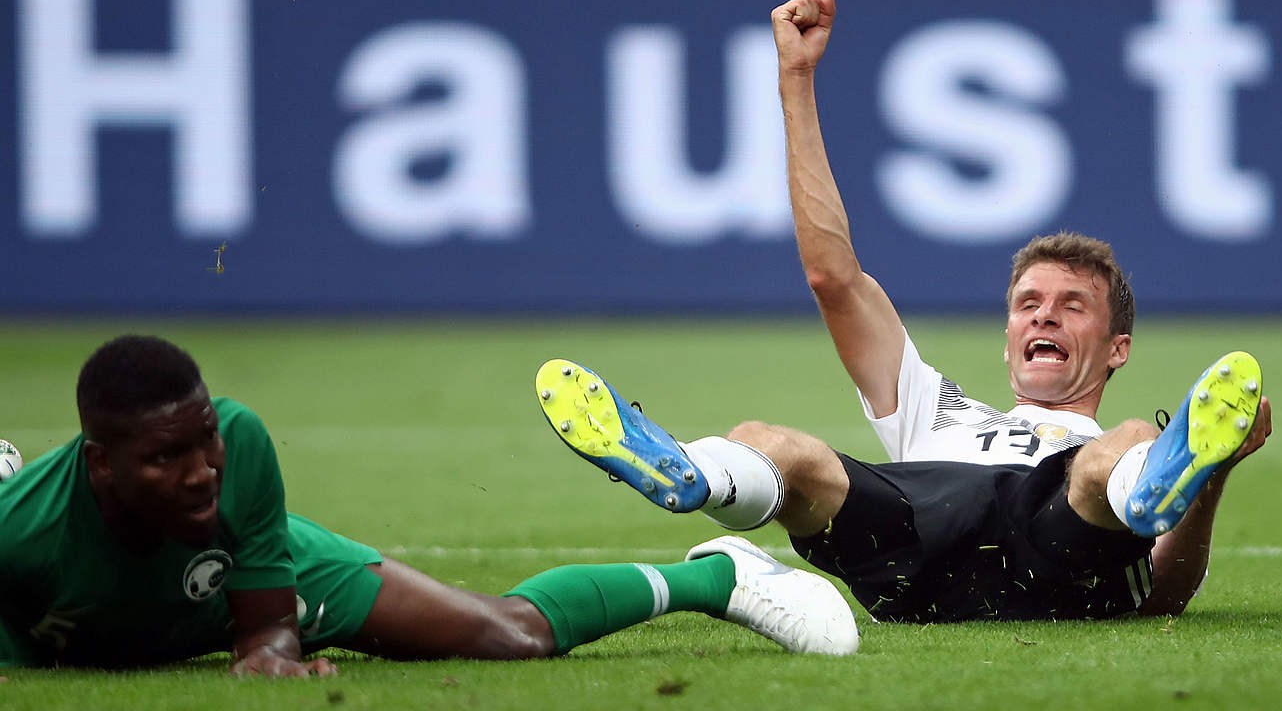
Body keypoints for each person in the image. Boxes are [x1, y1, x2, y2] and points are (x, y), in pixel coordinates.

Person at [535, 0, 1273, 624]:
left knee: (1118, 448)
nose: (1043, 316)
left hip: (1060, 557)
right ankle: (688, 474)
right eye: (1028, 303)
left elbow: (1167, 593)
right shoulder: (933, 408)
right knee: (775, 444)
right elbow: (834, 278)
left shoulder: (1111, 448)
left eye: (1073, 306)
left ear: (1118, 347)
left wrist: (1212, 476)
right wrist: (795, 79)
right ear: (1009, 329)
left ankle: (1161, 491)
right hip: (915, 558)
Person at [0, 335, 858, 674]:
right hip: (121, 599)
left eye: (203, 445)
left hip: (242, 585)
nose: (199, 474)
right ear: (99, 465)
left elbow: (264, 637)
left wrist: (270, 654)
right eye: (163, 459)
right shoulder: (22, 537)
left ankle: (715, 575)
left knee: (509, 635)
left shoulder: (239, 449)